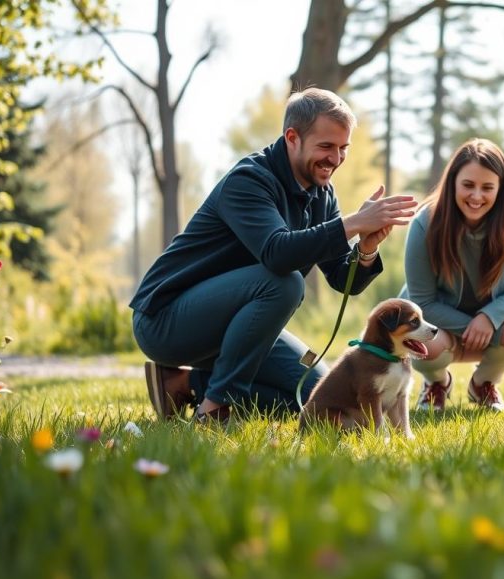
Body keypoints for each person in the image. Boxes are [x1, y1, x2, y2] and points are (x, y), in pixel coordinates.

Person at [130, 88, 417, 424]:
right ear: (292, 137)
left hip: (235, 325)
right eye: (326, 146)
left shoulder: (322, 194)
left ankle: (181, 384)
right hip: (167, 320)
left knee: (318, 393)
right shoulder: (249, 180)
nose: (335, 158)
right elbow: (277, 254)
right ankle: (216, 408)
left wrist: (367, 246)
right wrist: (353, 222)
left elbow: (343, 279)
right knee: (284, 284)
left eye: (343, 148)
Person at [402, 138, 504, 412]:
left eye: (487, 187)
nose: (476, 196)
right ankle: (436, 382)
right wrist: (492, 332)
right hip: (438, 322)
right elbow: (422, 302)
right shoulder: (425, 223)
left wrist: (490, 318)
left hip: (492, 318)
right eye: (468, 185)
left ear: (501, 189)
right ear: (453, 183)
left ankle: (483, 384)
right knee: (421, 341)